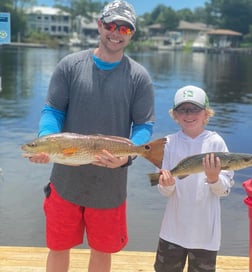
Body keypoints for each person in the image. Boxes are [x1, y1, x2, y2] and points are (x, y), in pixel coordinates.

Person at [27, 1, 155, 272]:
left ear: (132, 34)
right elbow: (52, 110)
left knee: (101, 251)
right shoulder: (70, 65)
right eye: (110, 25)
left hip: (110, 184)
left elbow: (144, 126)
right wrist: (47, 141)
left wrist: (127, 157)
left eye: (125, 28)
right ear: (99, 25)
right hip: (65, 180)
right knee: (58, 247)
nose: (116, 32)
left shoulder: (139, 77)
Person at [154, 85, 234, 272]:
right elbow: (164, 190)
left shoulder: (216, 142)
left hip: (205, 235)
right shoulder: (168, 143)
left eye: (194, 109)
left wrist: (214, 178)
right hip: (172, 231)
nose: (188, 115)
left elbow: (225, 190)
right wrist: (167, 184)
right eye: (182, 110)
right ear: (175, 114)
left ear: (206, 113)